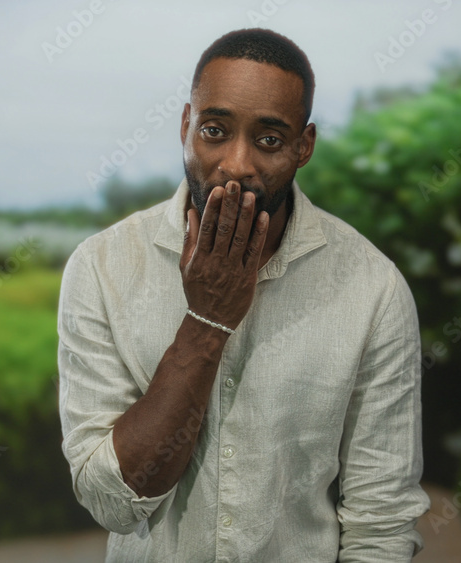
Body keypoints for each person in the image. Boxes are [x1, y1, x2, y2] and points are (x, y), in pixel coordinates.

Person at [57, 28, 430, 562]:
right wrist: (207, 320)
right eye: (214, 130)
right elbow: (110, 501)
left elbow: (382, 522)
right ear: (185, 126)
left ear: (304, 146)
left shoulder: (374, 288)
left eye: (269, 140)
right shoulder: (101, 267)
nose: (236, 165)